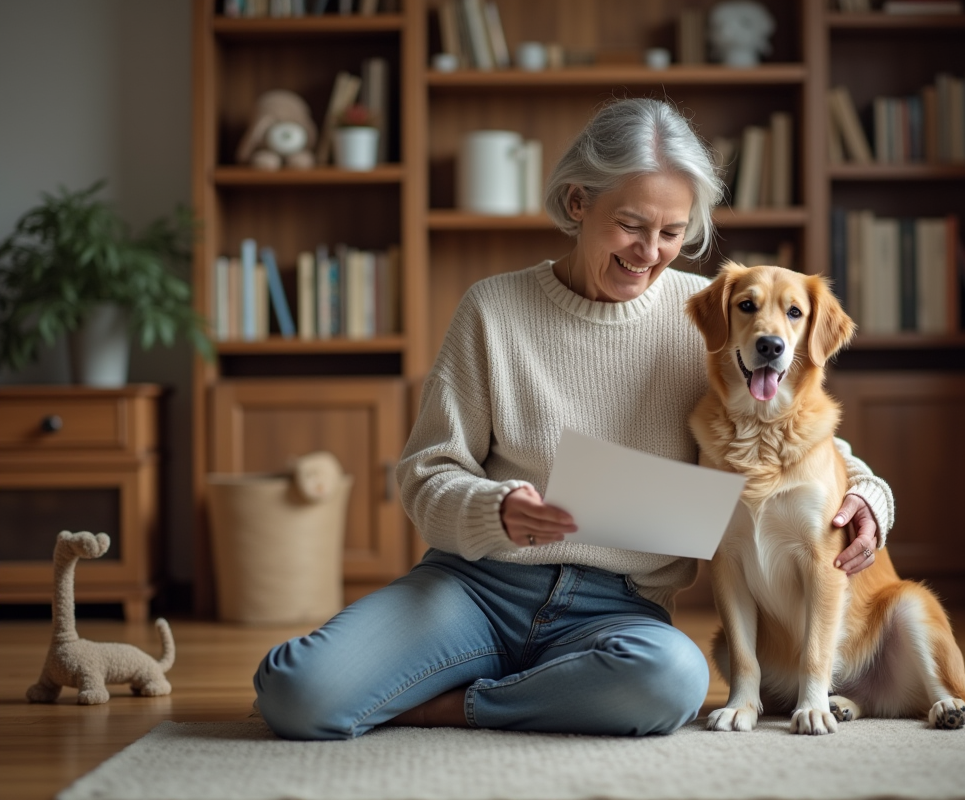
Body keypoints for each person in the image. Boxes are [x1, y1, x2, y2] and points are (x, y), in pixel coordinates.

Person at [253, 98, 895, 741]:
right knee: (297, 695)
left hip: (617, 608)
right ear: (577, 201)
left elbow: (797, 437)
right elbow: (426, 475)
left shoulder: (710, 318)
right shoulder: (492, 310)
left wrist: (869, 495)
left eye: (672, 232)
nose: (649, 252)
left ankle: (447, 706)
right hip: (477, 586)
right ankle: (528, 693)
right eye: (631, 224)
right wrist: (494, 508)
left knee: (671, 680)